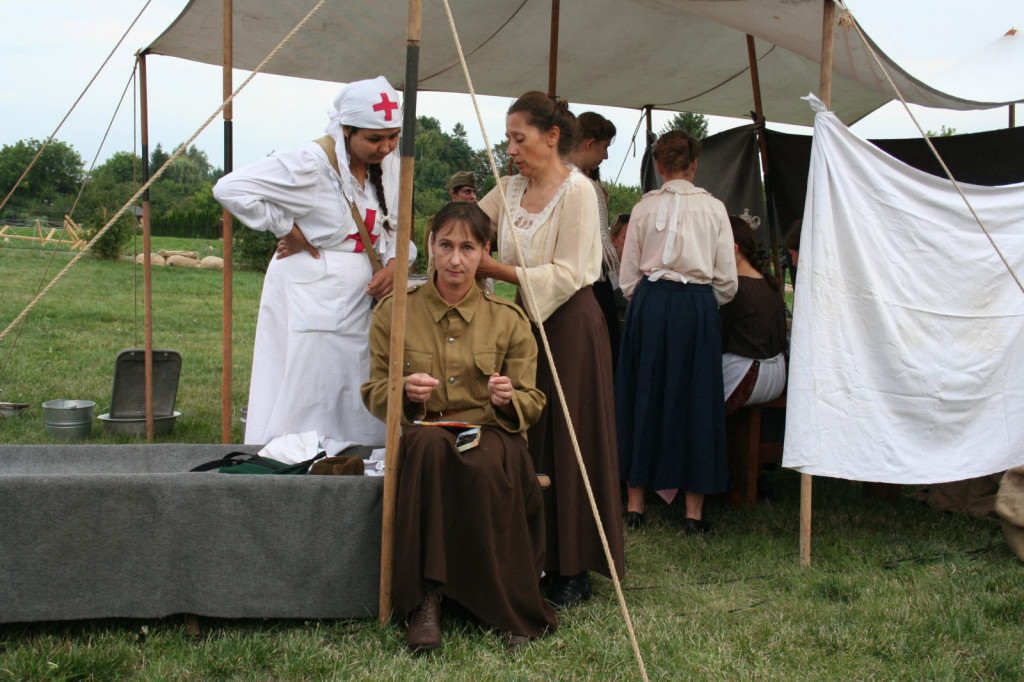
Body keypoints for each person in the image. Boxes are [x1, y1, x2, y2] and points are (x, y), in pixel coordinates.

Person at [361, 202, 556, 652]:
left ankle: (505, 605)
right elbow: (373, 391)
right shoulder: (395, 313)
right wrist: (404, 392)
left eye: (467, 247)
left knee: (488, 462)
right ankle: (425, 601)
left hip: (491, 434)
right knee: (429, 448)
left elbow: (533, 400)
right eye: (445, 245)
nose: (454, 259)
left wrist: (509, 399)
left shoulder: (508, 319)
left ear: (484, 251)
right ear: (429, 247)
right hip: (426, 434)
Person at [477, 91, 624, 609]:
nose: (511, 149)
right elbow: (470, 226)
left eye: (520, 138)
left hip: (570, 327)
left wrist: (496, 270)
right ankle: (532, 554)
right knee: (525, 432)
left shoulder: (578, 192)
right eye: (509, 139)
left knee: (569, 438)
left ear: (552, 136)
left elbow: (568, 273)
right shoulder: (509, 188)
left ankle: (573, 567)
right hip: (522, 325)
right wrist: (449, 237)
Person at [213, 76, 402, 451]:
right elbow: (229, 188)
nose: (386, 146)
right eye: (375, 139)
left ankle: (356, 460)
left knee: (357, 380)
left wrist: (395, 262)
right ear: (346, 130)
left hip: (362, 297)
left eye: (392, 136)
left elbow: (393, 225)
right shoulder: (309, 162)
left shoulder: (389, 163)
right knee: (310, 385)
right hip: (310, 293)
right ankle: (295, 460)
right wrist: (286, 227)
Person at [616, 129, 737, 534]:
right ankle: (692, 514)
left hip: (649, 305)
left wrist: (654, 302)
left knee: (643, 392)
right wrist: (697, 306)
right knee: (695, 398)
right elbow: (727, 282)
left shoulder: (642, 209)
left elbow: (628, 279)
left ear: (658, 165)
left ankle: (635, 506)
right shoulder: (716, 209)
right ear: (695, 164)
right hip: (697, 307)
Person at [564, 112, 622, 367]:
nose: (606, 156)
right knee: (600, 359)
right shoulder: (586, 186)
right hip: (588, 287)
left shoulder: (553, 178)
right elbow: (602, 250)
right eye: (605, 147)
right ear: (589, 143)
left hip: (558, 284)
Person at [720, 215, 788, 415]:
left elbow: (716, 339)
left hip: (749, 376)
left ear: (733, 249)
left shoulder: (735, 289)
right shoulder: (769, 282)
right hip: (777, 375)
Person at [422, 171, 478, 265]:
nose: (473, 196)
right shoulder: (436, 221)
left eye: (474, 192)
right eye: (467, 192)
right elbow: (431, 259)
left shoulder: (478, 219)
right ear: (453, 194)